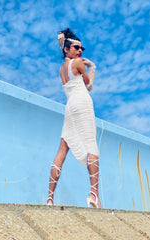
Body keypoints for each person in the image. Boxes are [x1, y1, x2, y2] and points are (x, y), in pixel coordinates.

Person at [47, 28, 102, 208]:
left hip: (70, 107)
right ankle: (94, 194)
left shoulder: (61, 69)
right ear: (66, 49)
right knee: (91, 145)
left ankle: (49, 198)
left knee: (62, 149)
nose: (79, 51)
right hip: (82, 104)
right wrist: (92, 67)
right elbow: (90, 86)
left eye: (81, 48)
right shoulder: (78, 63)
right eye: (76, 47)